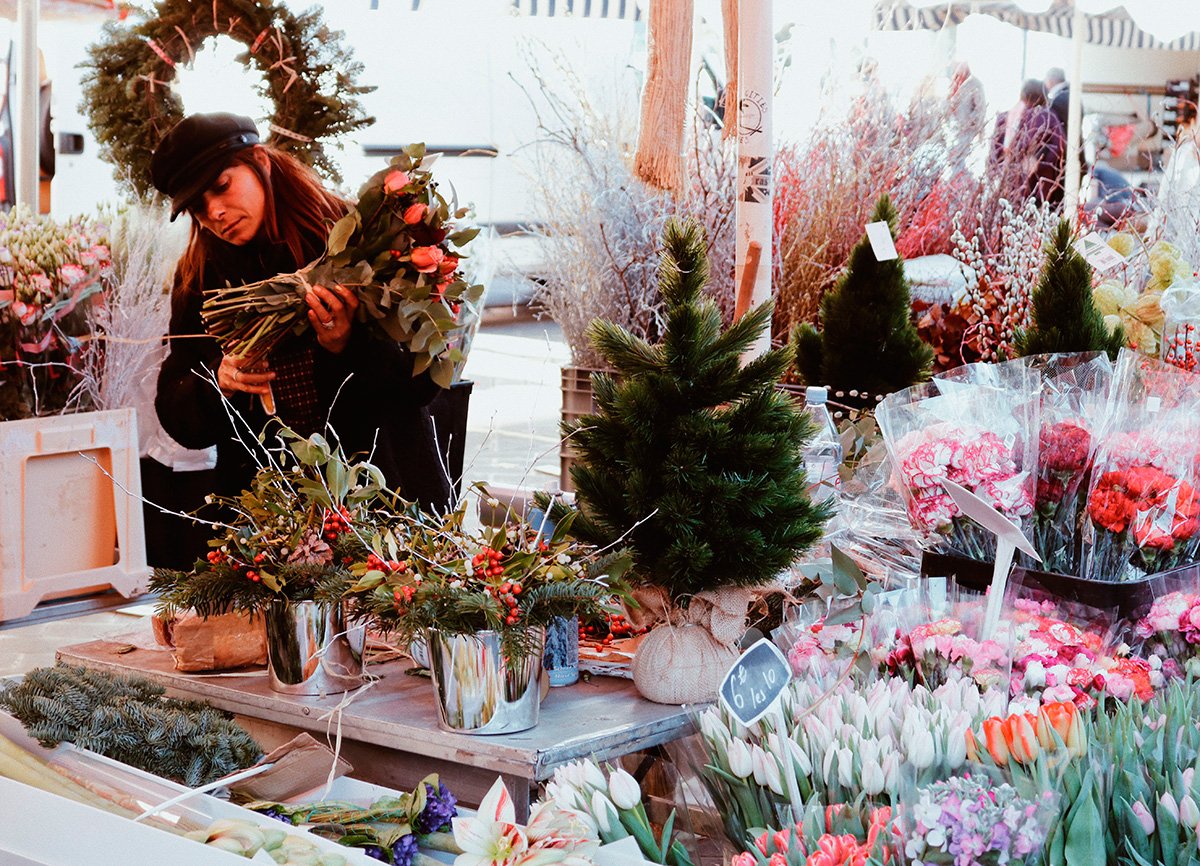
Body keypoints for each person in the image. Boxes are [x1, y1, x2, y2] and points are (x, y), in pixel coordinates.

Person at [151, 112, 452, 527]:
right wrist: (219, 382)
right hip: (267, 519)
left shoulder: (356, 238)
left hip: (386, 502)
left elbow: (421, 383)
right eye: (197, 208)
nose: (215, 212)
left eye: (221, 187)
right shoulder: (200, 279)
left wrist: (347, 345)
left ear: (260, 160)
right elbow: (176, 407)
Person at [988, 78, 1066, 205]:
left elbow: (994, 150)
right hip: (1037, 183)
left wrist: (994, 171)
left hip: (1005, 180)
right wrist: (1039, 161)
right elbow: (1059, 146)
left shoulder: (1005, 117)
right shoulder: (1047, 116)